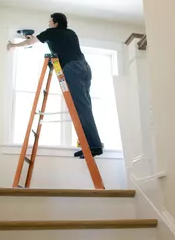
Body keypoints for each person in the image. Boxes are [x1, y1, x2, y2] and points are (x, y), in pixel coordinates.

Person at [7, 13, 103, 157]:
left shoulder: (51, 32)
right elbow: (58, 45)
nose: (49, 23)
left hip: (72, 68)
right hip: (85, 68)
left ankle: (94, 146)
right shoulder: (71, 33)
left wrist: (14, 45)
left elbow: (31, 43)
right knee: (85, 108)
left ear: (56, 23)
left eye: (50, 21)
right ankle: (90, 145)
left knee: (81, 109)